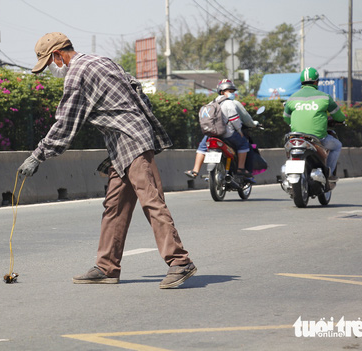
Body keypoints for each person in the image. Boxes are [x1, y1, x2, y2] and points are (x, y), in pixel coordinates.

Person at [17, 32, 196, 289]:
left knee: (151, 202)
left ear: (58, 55)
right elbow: (137, 91)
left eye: (50, 63)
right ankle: (106, 267)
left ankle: (180, 262)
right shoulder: (102, 60)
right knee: (115, 207)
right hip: (125, 143)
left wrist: (37, 155)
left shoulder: (77, 74)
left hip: (131, 141)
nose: (52, 69)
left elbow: (66, 123)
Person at [283, 67, 345, 181]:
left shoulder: (292, 98)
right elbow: (339, 116)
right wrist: (341, 120)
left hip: (296, 137)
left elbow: (286, 118)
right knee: (337, 146)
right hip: (318, 138)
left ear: (301, 82)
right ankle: (328, 173)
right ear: (317, 82)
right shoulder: (325, 97)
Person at [184, 79, 252, 179]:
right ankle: (240, 169)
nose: (232, 93)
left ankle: (195, 171)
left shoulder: (211, 103)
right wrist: (240, 131)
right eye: (230, 91)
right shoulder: (229, 103)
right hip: (227, 134)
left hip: (211, 134)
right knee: (243, 144)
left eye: (233, 91)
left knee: (202, 148)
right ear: (222, 92)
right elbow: (235, 120)